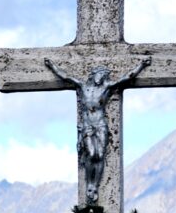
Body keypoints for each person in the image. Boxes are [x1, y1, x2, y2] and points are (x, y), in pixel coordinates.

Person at [44, 56, 151, 203]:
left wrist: (141, 66)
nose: (100, 78)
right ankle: (90, 183)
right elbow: (65, 76)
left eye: (103, 75)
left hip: (100, 124)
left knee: (100, 155)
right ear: (94, 75)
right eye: (99, 74)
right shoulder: (82, 86)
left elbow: (127, 77)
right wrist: (51, 66)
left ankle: (95, 185)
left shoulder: (106, 88)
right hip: (87, 125)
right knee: (91, 153)